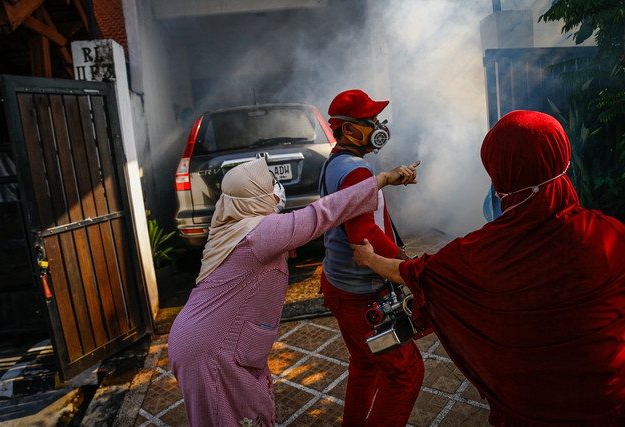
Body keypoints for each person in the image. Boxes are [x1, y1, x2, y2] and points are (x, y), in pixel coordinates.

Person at [351, 110, 625, 426]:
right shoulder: (610, 235)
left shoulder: (480, 254)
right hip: (607, 408)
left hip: (526, 412)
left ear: (500, 176)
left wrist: (370, 259)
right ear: (563, 160)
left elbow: (416, 272)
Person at [168, 156, 419, 427]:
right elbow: (321, 214)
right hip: (211, 349)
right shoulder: (258, 233)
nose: (277, 186)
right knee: (232, 418)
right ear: (252, 195)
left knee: (247, 411)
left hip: (204, 337)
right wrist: (380, 179)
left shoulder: (234, 222)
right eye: (270, 183)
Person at [319, 89, 424, 426]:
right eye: (371, 121)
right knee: (404, 374)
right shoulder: (356, 171)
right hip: (362, 296)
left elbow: (355, 206)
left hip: (339, 289)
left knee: (364, 366)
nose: (379, 126)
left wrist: (387, 179)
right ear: (348, 130)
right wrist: (405, 263)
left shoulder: (336, 163)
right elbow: (361, 233)